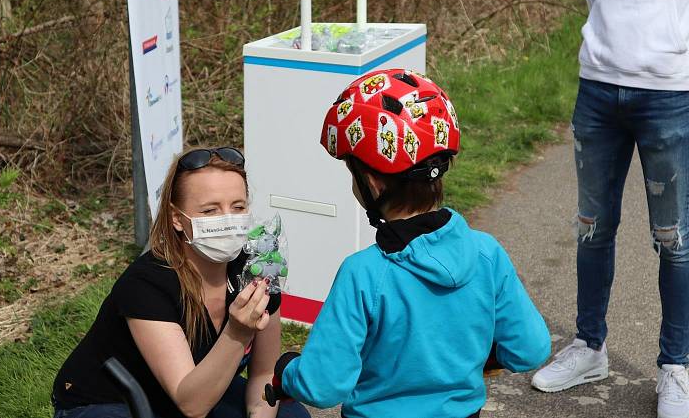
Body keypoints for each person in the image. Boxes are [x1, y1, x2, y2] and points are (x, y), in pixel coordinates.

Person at [265, 69, 551, 417]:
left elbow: (323, 385)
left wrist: (287, 372)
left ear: (371, 182)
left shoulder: (363, 273)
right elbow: (530, 349)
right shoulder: (486, 253)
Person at [531, 0, 689, 417]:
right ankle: (589, 347)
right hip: (598, 83)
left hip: (672, 89)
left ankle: (676, 366)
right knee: (591, 227)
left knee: (673, 239)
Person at [51, 147, 310, 418]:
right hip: (110, 402)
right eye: (210, 210)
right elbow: (192, 406)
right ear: (177, 219)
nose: (228, 219)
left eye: (238, 207)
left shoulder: (255, 269)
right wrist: (238, 332)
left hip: (196, 386)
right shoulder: (147, 283)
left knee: (292, 415)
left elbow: (264, 375)